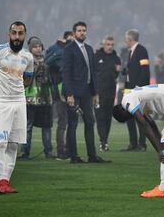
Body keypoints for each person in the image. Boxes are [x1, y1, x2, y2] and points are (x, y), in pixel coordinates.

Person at [0, 21, 34, 194]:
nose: (17, 37)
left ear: (25, 35)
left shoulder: (28, 57)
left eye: (20, 33)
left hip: (19, 102)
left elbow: (29, 78)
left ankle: (6, 182)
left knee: (13, 145)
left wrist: (17, 88)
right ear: (9, 34)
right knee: (1, 143)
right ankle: (0, 182)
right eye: (14, 33)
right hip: (1, 102)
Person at [113, 84, 164, 197]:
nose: (131, 116)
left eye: (128, 116)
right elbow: (151, 124)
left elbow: (144, 125)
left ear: (122, 109)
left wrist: (159, 150)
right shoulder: (136, 97)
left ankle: (163, 188)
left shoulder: (126, 100)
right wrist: (161, 144)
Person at [62, 21, 110, 164]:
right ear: (74, 33)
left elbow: (93, 72)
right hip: (74, 93)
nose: (82, 32)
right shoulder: (69, 49)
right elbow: (66, 72)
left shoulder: (89, 49)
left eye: (84, 30)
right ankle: (74, 156)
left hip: (88, 93)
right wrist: (69, 94)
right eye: (79, 30)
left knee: (90, 122)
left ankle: (92, 155)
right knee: (73, 124)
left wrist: (95, 93)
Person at [18, 36, 54, 160]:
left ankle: (48, 152)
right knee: (27, 127)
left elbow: (51, 81)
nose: (38, 49)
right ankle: (24, 152)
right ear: (30, 48)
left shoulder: (47, 62)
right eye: (35, 47)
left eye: (39, 46)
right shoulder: (25, 62)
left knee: (47, 127)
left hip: (45, 99)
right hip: (29, 99)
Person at [45, 31, 74, 160]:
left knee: (71, 122)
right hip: (61, 89)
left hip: (72, 89)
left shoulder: (72, 52)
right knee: (63, 122)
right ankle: (61, 151)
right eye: (69, 40)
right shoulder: (58, 50)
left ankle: (69, 150)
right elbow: (47, 62)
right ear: (64, 39)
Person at [121, 29, 150, 152]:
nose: (125, 41)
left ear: (130, 39)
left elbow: (145, 70)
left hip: (137, 90)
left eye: (126, 39)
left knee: (139, 118)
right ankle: (133, 144)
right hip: (129, 89)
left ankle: (142, 144)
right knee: (129, 117)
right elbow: (133, 70)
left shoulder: (141, 50)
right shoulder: (131, 52)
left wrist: (139, 87)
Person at [94, 35, 121, 152]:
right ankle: (103, 141)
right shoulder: (96, 57)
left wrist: (118, 71)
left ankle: (105, 141)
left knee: (108, 118)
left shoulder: (116, 58)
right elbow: (93, 74)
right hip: (98, 93)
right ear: (103, 45)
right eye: (108, 44)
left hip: (111, 92)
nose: (110, 47)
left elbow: (117, 74)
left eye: (112, 45)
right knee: (100, 118)